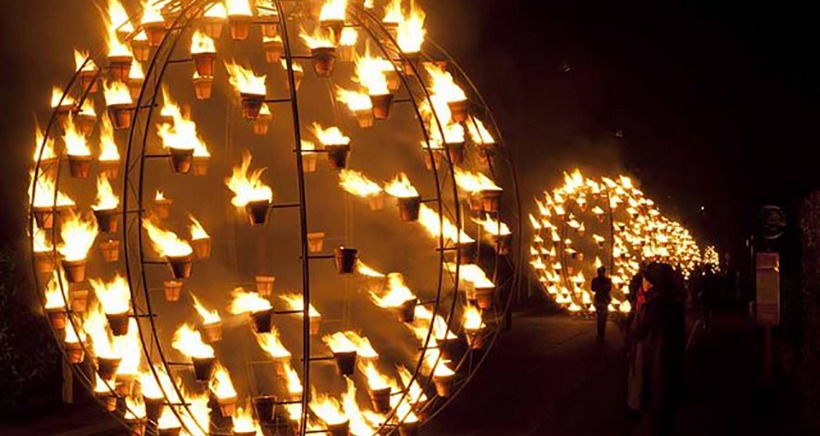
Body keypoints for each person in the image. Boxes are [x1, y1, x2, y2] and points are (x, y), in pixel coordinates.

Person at [627, 262, 685, 436]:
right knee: (666, 418)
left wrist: (631, 317)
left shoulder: (652, 306)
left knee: (651, 418)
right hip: (670, 366)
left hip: (652, 366)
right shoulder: (675, 304)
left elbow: (635, 332)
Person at [591, 266, 613, 341]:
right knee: (600, 318)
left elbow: (609, 288)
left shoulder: (607, 280)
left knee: (602, 318)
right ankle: (600, 334)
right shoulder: (599, 280)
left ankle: (601, 334)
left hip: (603, 300)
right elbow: (593, 289)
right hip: (600, 300)